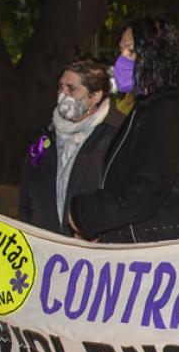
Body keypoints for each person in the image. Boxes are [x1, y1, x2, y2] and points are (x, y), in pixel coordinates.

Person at [68, 17, 179, 242]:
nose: (121, 61)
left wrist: (85, 214)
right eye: (121, 52)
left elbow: (145, 191)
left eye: (131, 52)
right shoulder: (156, 107)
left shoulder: (167, 112)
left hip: (161, 253)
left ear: (158, 57)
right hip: (157, 246)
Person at [19, 59, 125, 234]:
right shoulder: (46, 133)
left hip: (93, 247)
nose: (63, 94)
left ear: (95, 96)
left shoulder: (116, 134)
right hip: (45, 243)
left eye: (71, 89)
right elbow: (27, 182)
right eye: (61, 87)